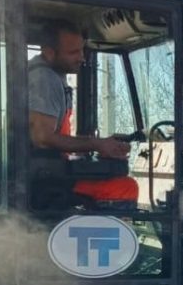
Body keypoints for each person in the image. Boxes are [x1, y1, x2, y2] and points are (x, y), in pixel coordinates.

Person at [28, 19, 138, 204]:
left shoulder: (51, 74)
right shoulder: (44, 80)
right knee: (125, 187)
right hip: (43, 179)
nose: (82, 58)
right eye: (73, 52)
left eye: (82, 50)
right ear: (49, 53)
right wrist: (96, 144)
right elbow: (42, 137)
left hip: (48, 171)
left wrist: (101, 144)